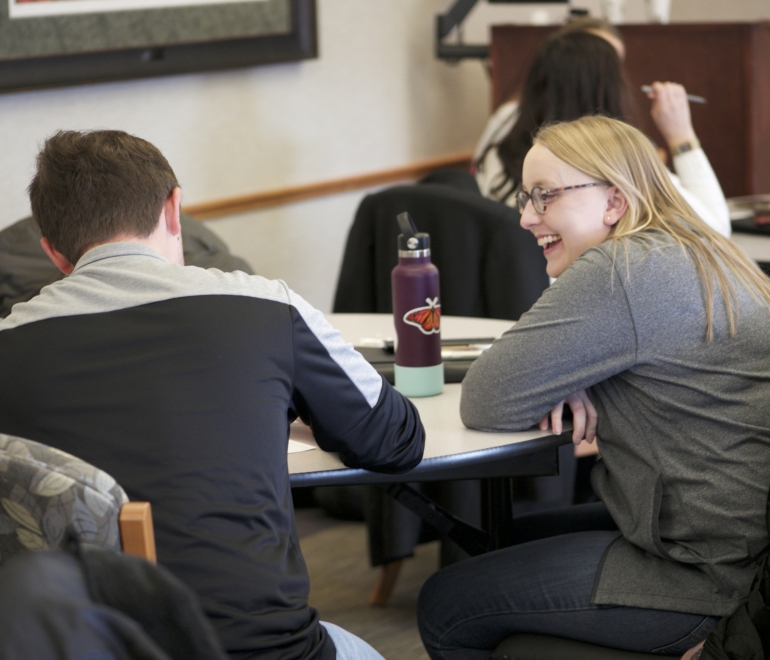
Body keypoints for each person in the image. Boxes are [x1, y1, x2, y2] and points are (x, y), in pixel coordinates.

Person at [0, 130, 426, 660]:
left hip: (93, 646)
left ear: (54, 252)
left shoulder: (8, 345)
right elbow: (397, 442)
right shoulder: (266, 306)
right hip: (268, 650)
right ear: (174, 207)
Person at [417, 116, 770, 659]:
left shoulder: (623, 268)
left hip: (705, 573)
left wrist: (571, 375)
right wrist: (579, 373)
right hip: (742, 547)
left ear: (614, 202)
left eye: (546, 196)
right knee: (504, 542)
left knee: (445, 603)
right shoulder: (704, 248)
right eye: (525, 197)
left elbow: (488, 398)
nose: (525, 218)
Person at [474, 28, 731, 237]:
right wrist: (681, 136)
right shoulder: (612, 159)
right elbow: (716, 229)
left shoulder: (499, 143)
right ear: (609, 88)